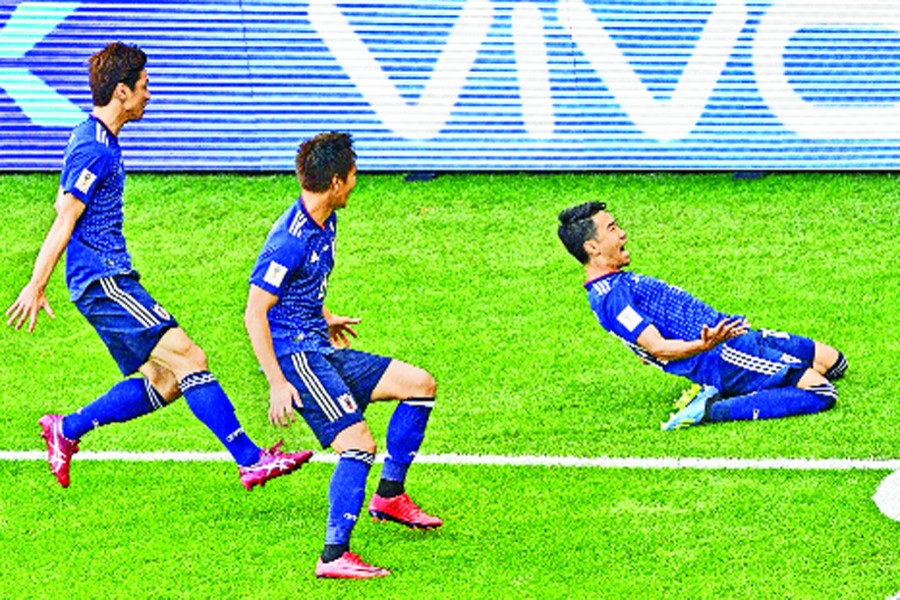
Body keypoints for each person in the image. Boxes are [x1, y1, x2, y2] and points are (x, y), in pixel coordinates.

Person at [6, 42, 312, 490]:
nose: (149, 95)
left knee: (166, 381)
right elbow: (65, 216)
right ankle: (250, 460)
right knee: (190, 357)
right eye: (144, 86)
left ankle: (66, 429)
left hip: (103, 277)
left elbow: (63, 201)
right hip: (103, 280)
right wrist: (36, 283)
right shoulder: (95, 148)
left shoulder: (93, 137)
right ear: (122, 91)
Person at [244, 131, 441, 579]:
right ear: (335, 181)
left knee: (420, 385)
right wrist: (277, 382)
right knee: (358, 445)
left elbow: (300, 287)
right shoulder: (288, 241)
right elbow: (255, 312)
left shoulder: (325, 219)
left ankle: (389, 497)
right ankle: (333, 556)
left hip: (319, 344)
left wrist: (325, 315)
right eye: (352, 175)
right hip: (298, 358)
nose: (355, 182)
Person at [557, 201, 847, 430]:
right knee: (822, 392)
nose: (622, 233)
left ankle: (743, 384)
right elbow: (656, 347)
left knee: (835, 363)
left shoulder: (612, 287)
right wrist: (703, 346)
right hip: (724, 354)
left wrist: (647, 349)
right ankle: (712, 409)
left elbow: (642, 341)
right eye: (611, 229)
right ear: (592, 247)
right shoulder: (611, 296)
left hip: (732, 335)